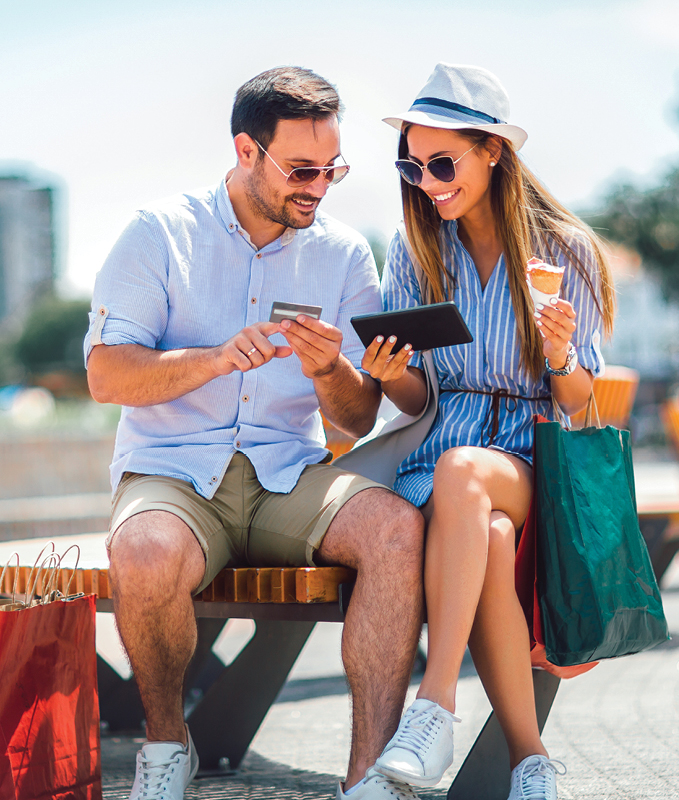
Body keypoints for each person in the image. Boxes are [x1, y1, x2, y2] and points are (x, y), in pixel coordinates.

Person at [85, 66, 427, 800]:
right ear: (246, 150)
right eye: (302, 170)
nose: (319, 187)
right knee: (142, 552)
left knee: (397, 530)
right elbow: (108, 376)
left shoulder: (343, 253)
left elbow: (357, 416)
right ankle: (168, 745)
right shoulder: (157, 235)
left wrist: (330, 369)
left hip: (289, 477)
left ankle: (368, 778)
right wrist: (213, 359)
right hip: (174, 475)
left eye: (331, 169)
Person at [361, 63, 616, 800]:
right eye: (413, 163)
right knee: (488, 533)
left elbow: (576, 399)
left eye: (443, 163)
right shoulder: (415, 249)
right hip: (439, 457)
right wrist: (389, 371)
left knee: (467, 475)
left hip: (528, 458)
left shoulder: (562, 251)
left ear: (494, 152)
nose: (427, 180)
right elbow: (414, 401)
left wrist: (563, 349)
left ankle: (434, 705)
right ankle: (529, 763)